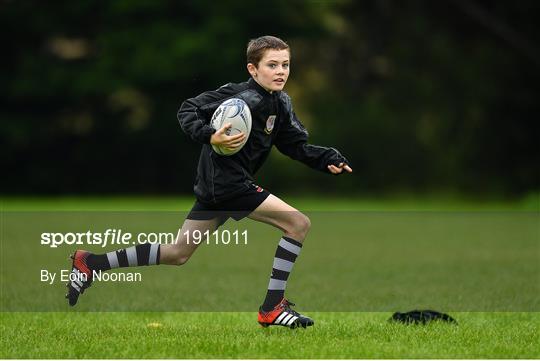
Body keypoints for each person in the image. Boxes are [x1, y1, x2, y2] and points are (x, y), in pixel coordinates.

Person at [66, 35, 352, 329]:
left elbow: (293, 145)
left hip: (220, 187)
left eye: (286, 64)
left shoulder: (280, 103)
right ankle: (272, 308)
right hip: (228, 184)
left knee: (177, 253)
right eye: (272, 65)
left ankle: (91, 263)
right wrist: (209, 134)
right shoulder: (237, 95)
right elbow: (187, 109)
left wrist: (324, 157)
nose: (281, 71)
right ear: (253, 70)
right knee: (298, 224)